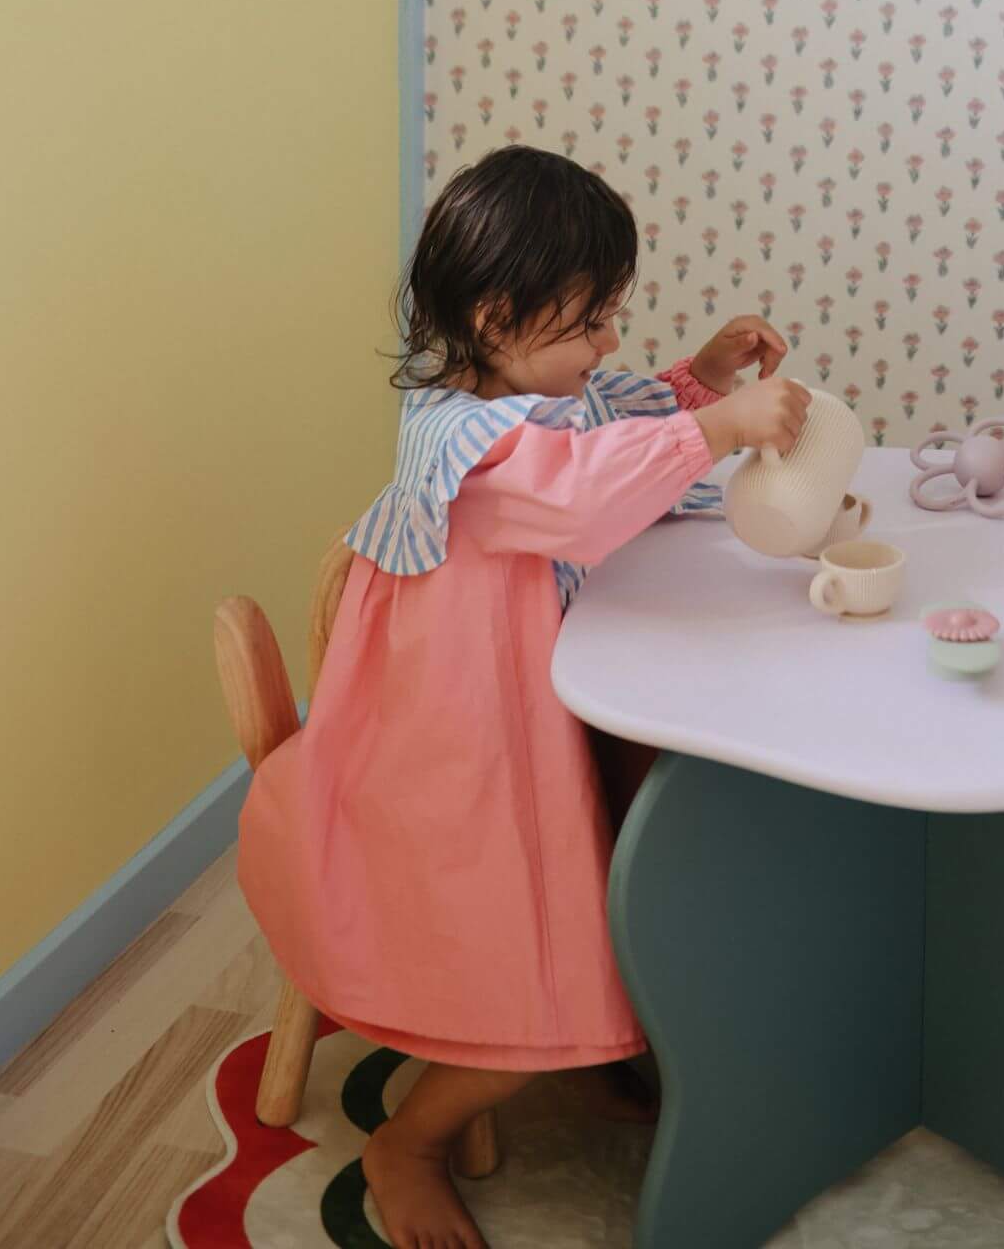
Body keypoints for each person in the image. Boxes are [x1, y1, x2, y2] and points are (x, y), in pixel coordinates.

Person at [238, 146, 808, 1249]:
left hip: (521, 706)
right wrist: (722, 431)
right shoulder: (468, 444)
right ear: (497, 319)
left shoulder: (533, 388)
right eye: (590, 323)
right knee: (542, 955)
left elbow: (611, 424)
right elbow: (585, 492)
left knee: (654, 829)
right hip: (453, 743)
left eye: (613, 317)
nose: (609, 346)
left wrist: (699, 380)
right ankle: (411, 1138)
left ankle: (628, 1022)